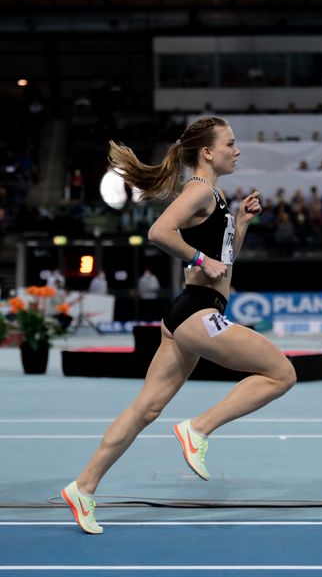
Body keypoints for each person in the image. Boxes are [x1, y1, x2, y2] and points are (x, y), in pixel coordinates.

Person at [60, 115, 296, 534]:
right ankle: (198, 428)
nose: (237, 150)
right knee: (281, 373)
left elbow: (226, 263)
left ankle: (83, 486)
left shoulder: (216, 196)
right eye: (230, 144)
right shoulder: (200, 190)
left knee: (144, 409)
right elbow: (158, 232)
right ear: (207, 152)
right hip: (198, 312)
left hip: (190, 311)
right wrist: (201, 260)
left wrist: (240, 224)